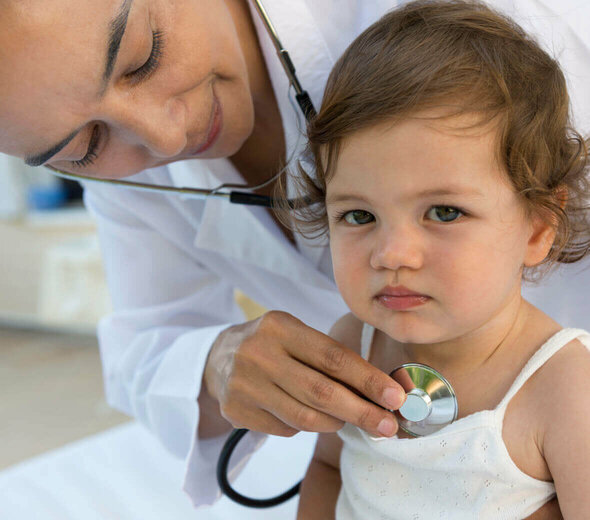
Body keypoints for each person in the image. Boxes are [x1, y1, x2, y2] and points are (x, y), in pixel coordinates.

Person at [0, 0, 588, 511]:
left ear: (541, 225)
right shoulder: (354, 337)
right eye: (83, 145)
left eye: (143, 55)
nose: (165, 137)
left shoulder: (496, 42)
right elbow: (144, 346)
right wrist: (214, 363)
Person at [286, 2, 590, 518]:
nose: (392, 254)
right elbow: (328, 470)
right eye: (359, 216)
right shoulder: (351, 347)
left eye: (444, 212)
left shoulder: (564, 391)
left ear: (538, 227)